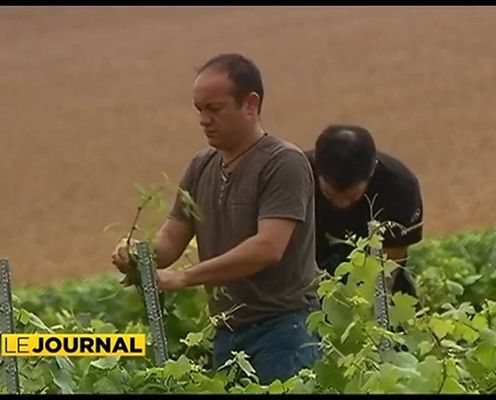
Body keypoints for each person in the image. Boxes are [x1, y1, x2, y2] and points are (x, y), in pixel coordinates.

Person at [111, 53, 320, 384]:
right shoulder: (201, 167)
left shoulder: (284, 164)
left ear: (250, 105)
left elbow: (267, 247)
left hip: (284, 331)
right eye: (199, 110)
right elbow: (169, 242)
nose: (204, 120)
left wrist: (183, 278)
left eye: (214, 109)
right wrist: (138, 254)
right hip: (227, 333)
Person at [304, 124, 424, 297]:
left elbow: (391, 258)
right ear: (318, 171)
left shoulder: (400, 186)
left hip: (374, 262)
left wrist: (371, 302)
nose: (341, 204)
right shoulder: (296, 176)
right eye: (330, 195)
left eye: (352, 197)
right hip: (311, 260)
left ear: (371, 172)